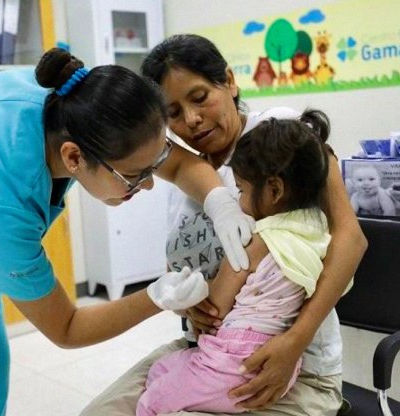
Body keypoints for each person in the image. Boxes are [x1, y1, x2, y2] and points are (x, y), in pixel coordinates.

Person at [0, 48, 255, 415]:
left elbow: (178, 167)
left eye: (152, 168)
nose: (146, 186)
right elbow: (66, 327)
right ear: (73, 158)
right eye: (133, 176)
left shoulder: (79, 107)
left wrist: (220, 203)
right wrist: (156, 297)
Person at [80, 34, 367, 416]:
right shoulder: (184, 181)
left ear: (229, 82)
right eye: (174, 114)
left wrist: (296, 341)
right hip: (204, 354)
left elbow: (351, 238)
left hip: (291, 367)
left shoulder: (281, 135)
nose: (192, 120)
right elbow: (181, 271)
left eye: (199, 98)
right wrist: (188, 306)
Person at [137, 110, 347, 415]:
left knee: (152, 398)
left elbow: (216, 306)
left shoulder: (256, 242)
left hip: (232, 359)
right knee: (163, 371)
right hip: (281, 367)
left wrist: (185, 292)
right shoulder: (318, 229)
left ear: (274, 190)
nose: (238, 201)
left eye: (242, 190)